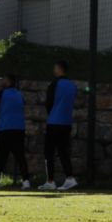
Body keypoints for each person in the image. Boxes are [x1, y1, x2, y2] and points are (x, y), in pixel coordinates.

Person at [0, 74, 32, 190]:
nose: (2, 81)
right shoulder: (20, 95)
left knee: (0, 156)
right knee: (20, 156)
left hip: (5, 129)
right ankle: (26, 181)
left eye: (4, 79)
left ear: (8, 81)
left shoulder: (1, 94)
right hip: (19, 129)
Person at [43, 59, 78, 191]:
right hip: (66, 123)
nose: (53, 70)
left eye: (55, 68)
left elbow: (49, 103)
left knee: (49, 152)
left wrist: (51, 114)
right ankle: (70, 178)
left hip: (54, 122)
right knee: (63, 152)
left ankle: (50, 180)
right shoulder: (72, 86)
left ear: (59, 68)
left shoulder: (54, 84)